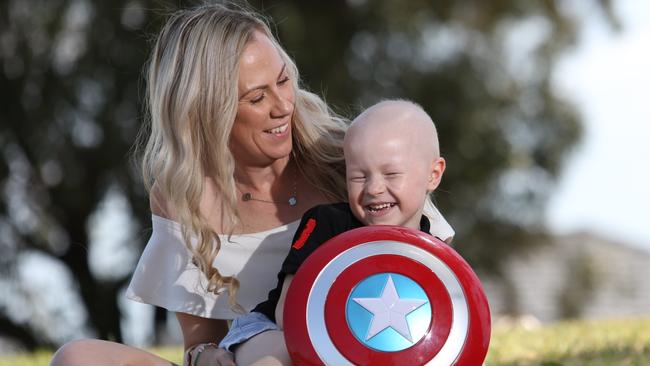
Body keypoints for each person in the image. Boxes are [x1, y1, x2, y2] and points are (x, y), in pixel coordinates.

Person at [49, 4, 453, 366]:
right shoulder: (182, 198)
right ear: (209, 112)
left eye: (283, 80)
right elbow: (202, 339)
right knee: (77, 358)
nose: (283, 105)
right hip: (255, 356)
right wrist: (205, 356)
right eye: (257, 97)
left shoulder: (351, 160)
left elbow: (428, 278)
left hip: (347, 354)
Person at [218, 99, 448, 365]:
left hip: (363, 346)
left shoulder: (431, 252)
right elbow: (288, 312)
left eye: (391, 174)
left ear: (433, 175)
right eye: (359, 177)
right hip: (275, 331)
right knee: (281, 356)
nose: (373, 188)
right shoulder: (329, 223)